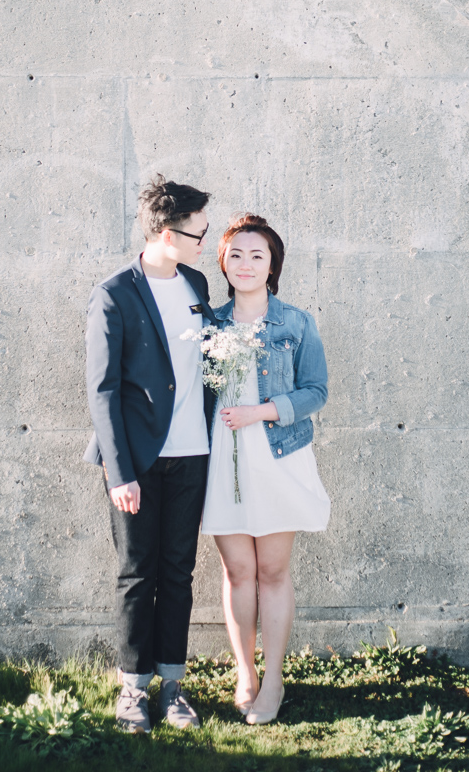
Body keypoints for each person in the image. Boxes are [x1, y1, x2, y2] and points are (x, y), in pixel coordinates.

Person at [84, 175, 217, 735]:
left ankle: (173, 687)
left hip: (194, 454)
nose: (205, 240)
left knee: (179, 573)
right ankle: (133, 691)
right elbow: (103, 389)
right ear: (167, 232)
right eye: (198, 232)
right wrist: (120, 472)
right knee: (137, 575)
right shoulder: (114, 294)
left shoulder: (196, 283)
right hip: (137, 461)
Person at [202, 214, 329, 725]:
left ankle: (273, 678)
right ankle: (244, 674)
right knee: (238, 572)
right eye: (236, 255)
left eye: (257, 255)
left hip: (278, 457)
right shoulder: (208, 323)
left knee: (273, 572)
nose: (246, 264)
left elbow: (315, 390)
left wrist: (261, 411)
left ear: (272, 263)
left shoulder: (295, 323)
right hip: (222, 464)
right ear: (223, 263)